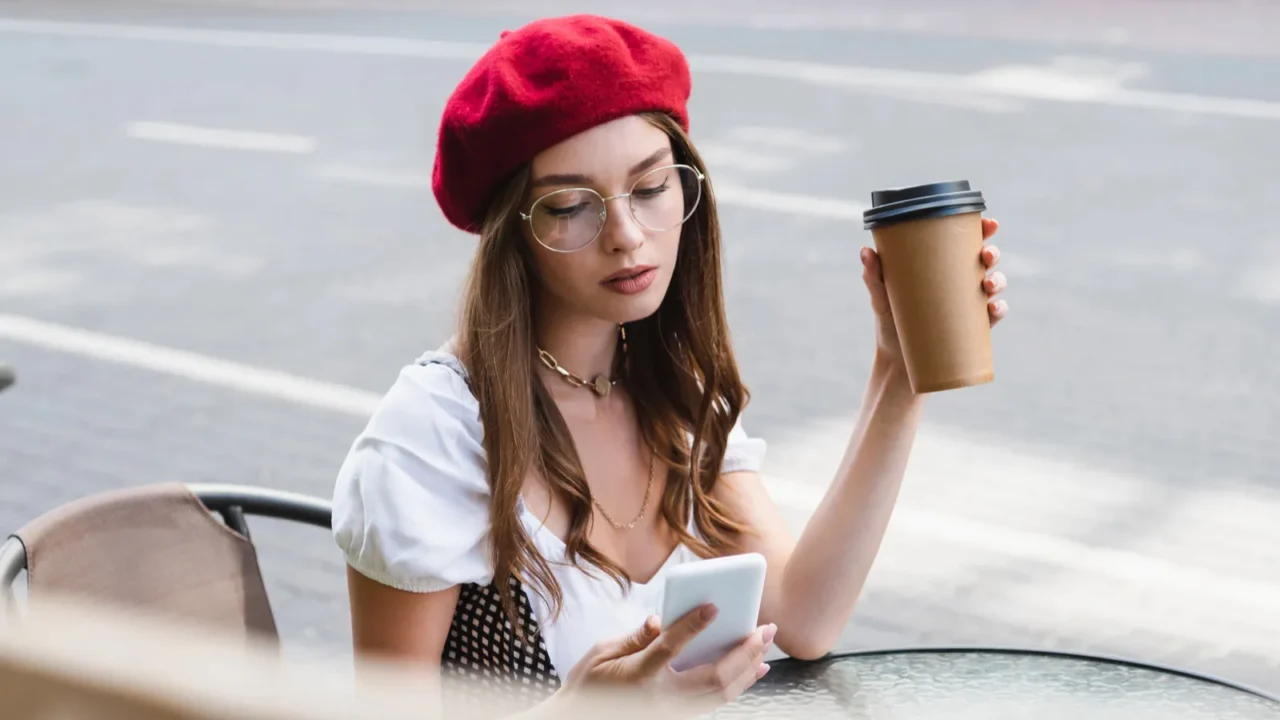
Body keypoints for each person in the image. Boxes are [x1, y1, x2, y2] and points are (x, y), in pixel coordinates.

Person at [331, 13, 1008, 717]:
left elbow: (804, 617)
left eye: (652, 188)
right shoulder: (433, 437)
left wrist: (899, 372)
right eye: (570, 206)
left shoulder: (673, 390)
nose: (627, 236)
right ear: (514, 234)